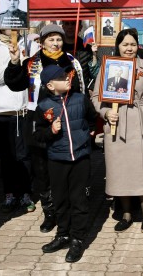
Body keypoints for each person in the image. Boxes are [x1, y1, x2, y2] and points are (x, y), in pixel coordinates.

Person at [5, 24, 86, 233]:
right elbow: (15, 83)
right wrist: (14, 62)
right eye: (51, 39)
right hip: (36, 119)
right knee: (41, 170)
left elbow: (81, 92)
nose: (56, 43)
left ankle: (67, 211)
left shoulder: (72, 61)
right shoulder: (32, 62)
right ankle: (50, 213)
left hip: (65, 118)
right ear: (42, 42)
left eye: (58, 39)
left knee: (62, 167)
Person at [92, 29, 143, 237]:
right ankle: (125, 214)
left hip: (140, 123)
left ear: (138, 46)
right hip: (116, 123)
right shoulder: (109, 65)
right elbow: (96, 97)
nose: (129, 48)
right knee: (121, 171)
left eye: (133, 44)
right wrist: (106, 112)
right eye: (125, 44)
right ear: (118, 46)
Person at [34, 65, 97, 262]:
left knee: (78, 200)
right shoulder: (44, 106)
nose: (67, 78)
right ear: (51, 85)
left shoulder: (80, 99)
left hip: (80, 159)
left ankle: (78, 239)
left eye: (67, 75)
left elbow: (92, 118)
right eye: (62, 77)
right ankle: (63, 234)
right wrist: (51, 131)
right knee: (60, 200)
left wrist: (89, 134)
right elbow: (37, 135)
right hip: (57, 159)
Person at [0, 28, 31, 214]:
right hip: (3, 111)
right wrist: (14, 64)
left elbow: (32, 75)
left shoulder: (29, 43)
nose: (14, 27)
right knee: (7, 157)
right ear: (0, 25)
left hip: (25, 110)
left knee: (25, 156)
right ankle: (10, 195)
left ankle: (26, 193)